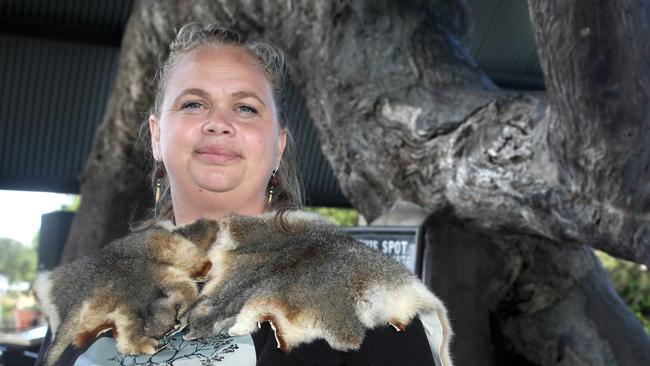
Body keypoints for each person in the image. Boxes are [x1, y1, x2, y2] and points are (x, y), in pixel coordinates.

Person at [36, 23, 438, 365]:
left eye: (246, 108)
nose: (218, 123)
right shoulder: (83, 297)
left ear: (278, 147)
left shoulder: (370, 300)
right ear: (158, 138)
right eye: (193, 104)